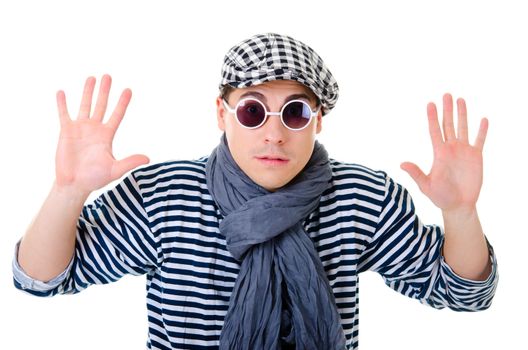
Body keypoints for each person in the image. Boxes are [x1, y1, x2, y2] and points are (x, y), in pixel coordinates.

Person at [12, 33, 498, 350]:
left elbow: (463, 295)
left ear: (318, 121)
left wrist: (460, 213)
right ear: (221, 114)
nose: (273, 133)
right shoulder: (163, 195)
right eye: (251, 110)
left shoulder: (360, 196)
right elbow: (42, 279)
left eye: (294, 112)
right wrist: (67, 191)